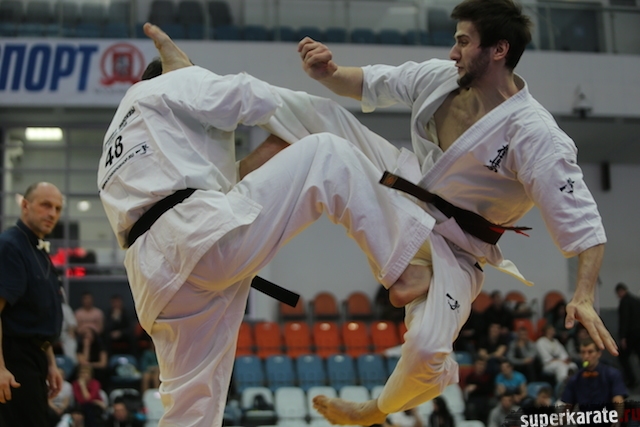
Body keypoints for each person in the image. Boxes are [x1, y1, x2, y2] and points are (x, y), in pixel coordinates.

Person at [98, 23, 439, 427]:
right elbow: (249, 96)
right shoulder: (165, 85)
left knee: (190, 408)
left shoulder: (123, 136)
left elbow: (215, 183)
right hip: (195, 236)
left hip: (157, 278)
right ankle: (403, 267)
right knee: (327, 153)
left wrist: (283, 141)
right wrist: (187, 69)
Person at [298, 0, 617, 422]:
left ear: (498, 50)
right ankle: (203, 99)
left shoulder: (535, 135)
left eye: (464, 42)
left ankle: (372, 411)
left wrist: (585, 295)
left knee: (427, 348)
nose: (453, 53)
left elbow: (583, 223)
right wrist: (330, 74)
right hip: (404, 190)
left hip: (459, 247)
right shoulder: (440, 77)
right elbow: (371, 83)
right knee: (303, 114)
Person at [0, 182, 65, 425]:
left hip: (35, 359)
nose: (52, 213)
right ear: (25, 206)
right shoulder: (10, 246)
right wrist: (0, 369)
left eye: (57, 208)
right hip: (13, 359)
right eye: (45, 205)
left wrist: (51, 364)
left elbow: (38, 314)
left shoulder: (37, 249)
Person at [559, 338, 627, 425]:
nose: (586, 356)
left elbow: (618, 401)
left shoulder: (612, 374)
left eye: (590, 352)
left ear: (599, 354)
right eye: (583, 352)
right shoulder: (574, 379)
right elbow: (566, 412)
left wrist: (617, 419)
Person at [615, 282, 640, 389]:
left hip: (630, 335)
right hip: (639, 334)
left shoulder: (624, 302)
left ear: (620, 291)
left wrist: (623, 337)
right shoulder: (636, 301)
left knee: (622, 357)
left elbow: (624, 320)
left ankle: (631, 379)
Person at [463, 358, 494, 424]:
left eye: (483, 365)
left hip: (485, 398)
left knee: (490, 405)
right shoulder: (470, 377)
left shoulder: (489, 376)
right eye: (479, 364)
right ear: (475, 365)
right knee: (470, 407)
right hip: (474, 399)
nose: (481, 367)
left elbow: (488, 389)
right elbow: (469, 391)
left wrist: (476, 387)